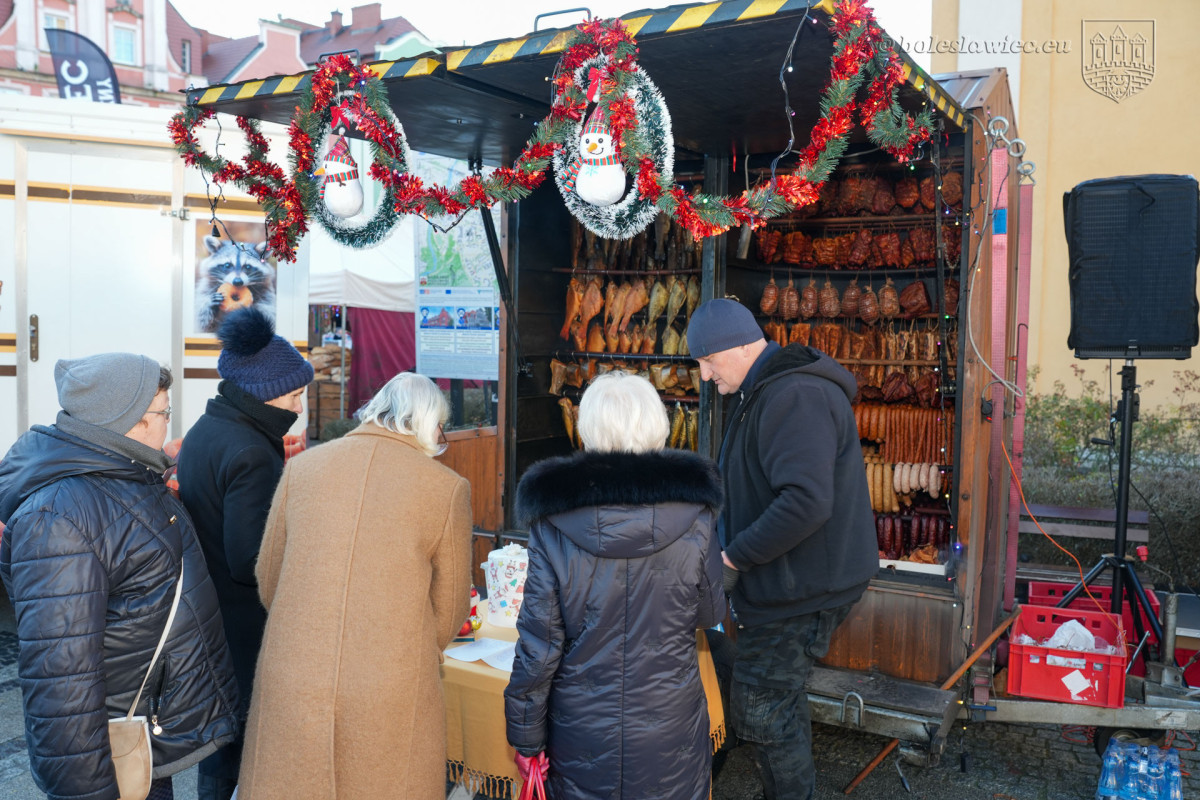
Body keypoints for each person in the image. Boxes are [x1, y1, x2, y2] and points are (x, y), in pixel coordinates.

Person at [0, 353, 240, 800]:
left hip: (144, 738)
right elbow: (61, 677)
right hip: (111, 759)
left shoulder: (130, 478)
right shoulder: (59, 515)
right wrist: (87, 792)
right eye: (164, 411)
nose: (169, 422)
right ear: (129, 420)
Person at [236, 371, 472, 800]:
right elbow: (451, 607)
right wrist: (410, 647)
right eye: (440, 425)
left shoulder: (303, 468)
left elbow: (269, 579)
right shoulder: (446, 488)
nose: (441, 436)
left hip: (297, 671)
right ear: (423, 422)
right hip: (392, 682)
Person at [688, 298, 877, 800]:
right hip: (795, 581)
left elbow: (806, 502)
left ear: (739, 347)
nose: (705, 376)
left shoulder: (794, 393)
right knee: (777, 699)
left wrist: (733, 558)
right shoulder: (766, 389)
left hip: (807, 586)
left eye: (707, 361)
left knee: (759, 707)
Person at [506, 371, 725, 800]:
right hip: (669, 723)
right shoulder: (698, 516)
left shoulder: (551, 523)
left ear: (587, 432)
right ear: (658, 428)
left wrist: (526, 738)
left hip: (582, 731)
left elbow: (539, 647)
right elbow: (709, 614)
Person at [176, 306, 313, 800]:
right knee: (239, 746)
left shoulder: (208, 428)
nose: (299, 407)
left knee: (220, 739)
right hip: (240, 623)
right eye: (296, 394)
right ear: (265, 394)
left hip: (207, 608)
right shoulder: (253, 451)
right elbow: (249, 558)